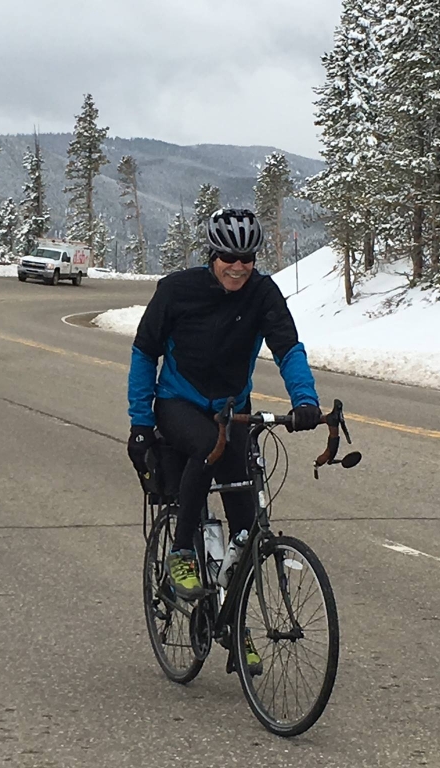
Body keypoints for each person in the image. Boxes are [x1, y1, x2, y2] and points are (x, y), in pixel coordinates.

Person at [127, 208, 322, 605]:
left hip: (232, 408)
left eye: (246, 259)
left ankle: (234, 627)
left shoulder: (263, 293)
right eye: (228, 258)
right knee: (205, 447)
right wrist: (141, 422)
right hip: (179, 402)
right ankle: (181, 552)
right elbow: (144, 353)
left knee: (246, 526)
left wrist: (305, 400)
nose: (237, 267)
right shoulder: (176, 291)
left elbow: (288, 349)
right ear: (211, 255)